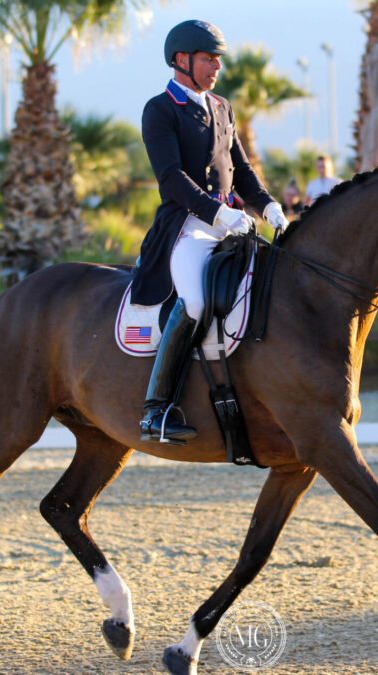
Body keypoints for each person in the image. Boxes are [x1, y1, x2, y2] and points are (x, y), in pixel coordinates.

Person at [133, 19, 288, 443]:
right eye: (208, 59)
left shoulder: (221, 106)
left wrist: (267, 205)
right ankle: (156, 409)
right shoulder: (160, 109)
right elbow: (171, 178)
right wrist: (218, 214)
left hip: (234, 223)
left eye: (218, 60)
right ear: (181, 60)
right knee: (197, 302)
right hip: (187, 227)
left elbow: (242, 171)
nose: (217, 66)